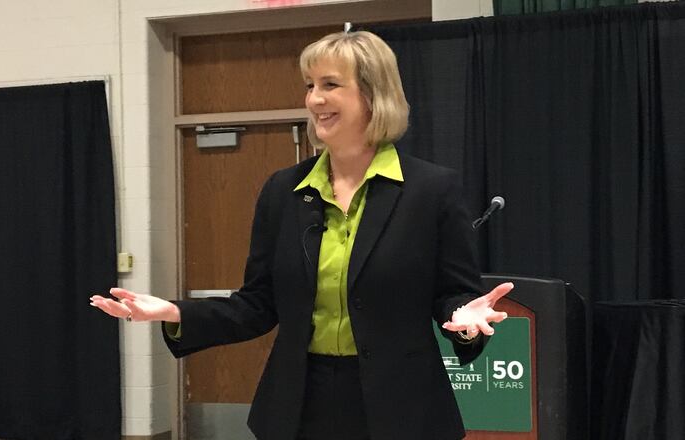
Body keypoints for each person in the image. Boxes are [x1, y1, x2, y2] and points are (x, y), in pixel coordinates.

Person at [91, 30, 512, 440]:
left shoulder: (431, 190)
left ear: (373, 94)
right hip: (299, 406)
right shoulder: (284, 191)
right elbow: (257, 304)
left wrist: (466, 321)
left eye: (330, 85)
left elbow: (453, 295)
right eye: (310, 85)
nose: (314, 99)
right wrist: (173, 312)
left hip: (403, 407)